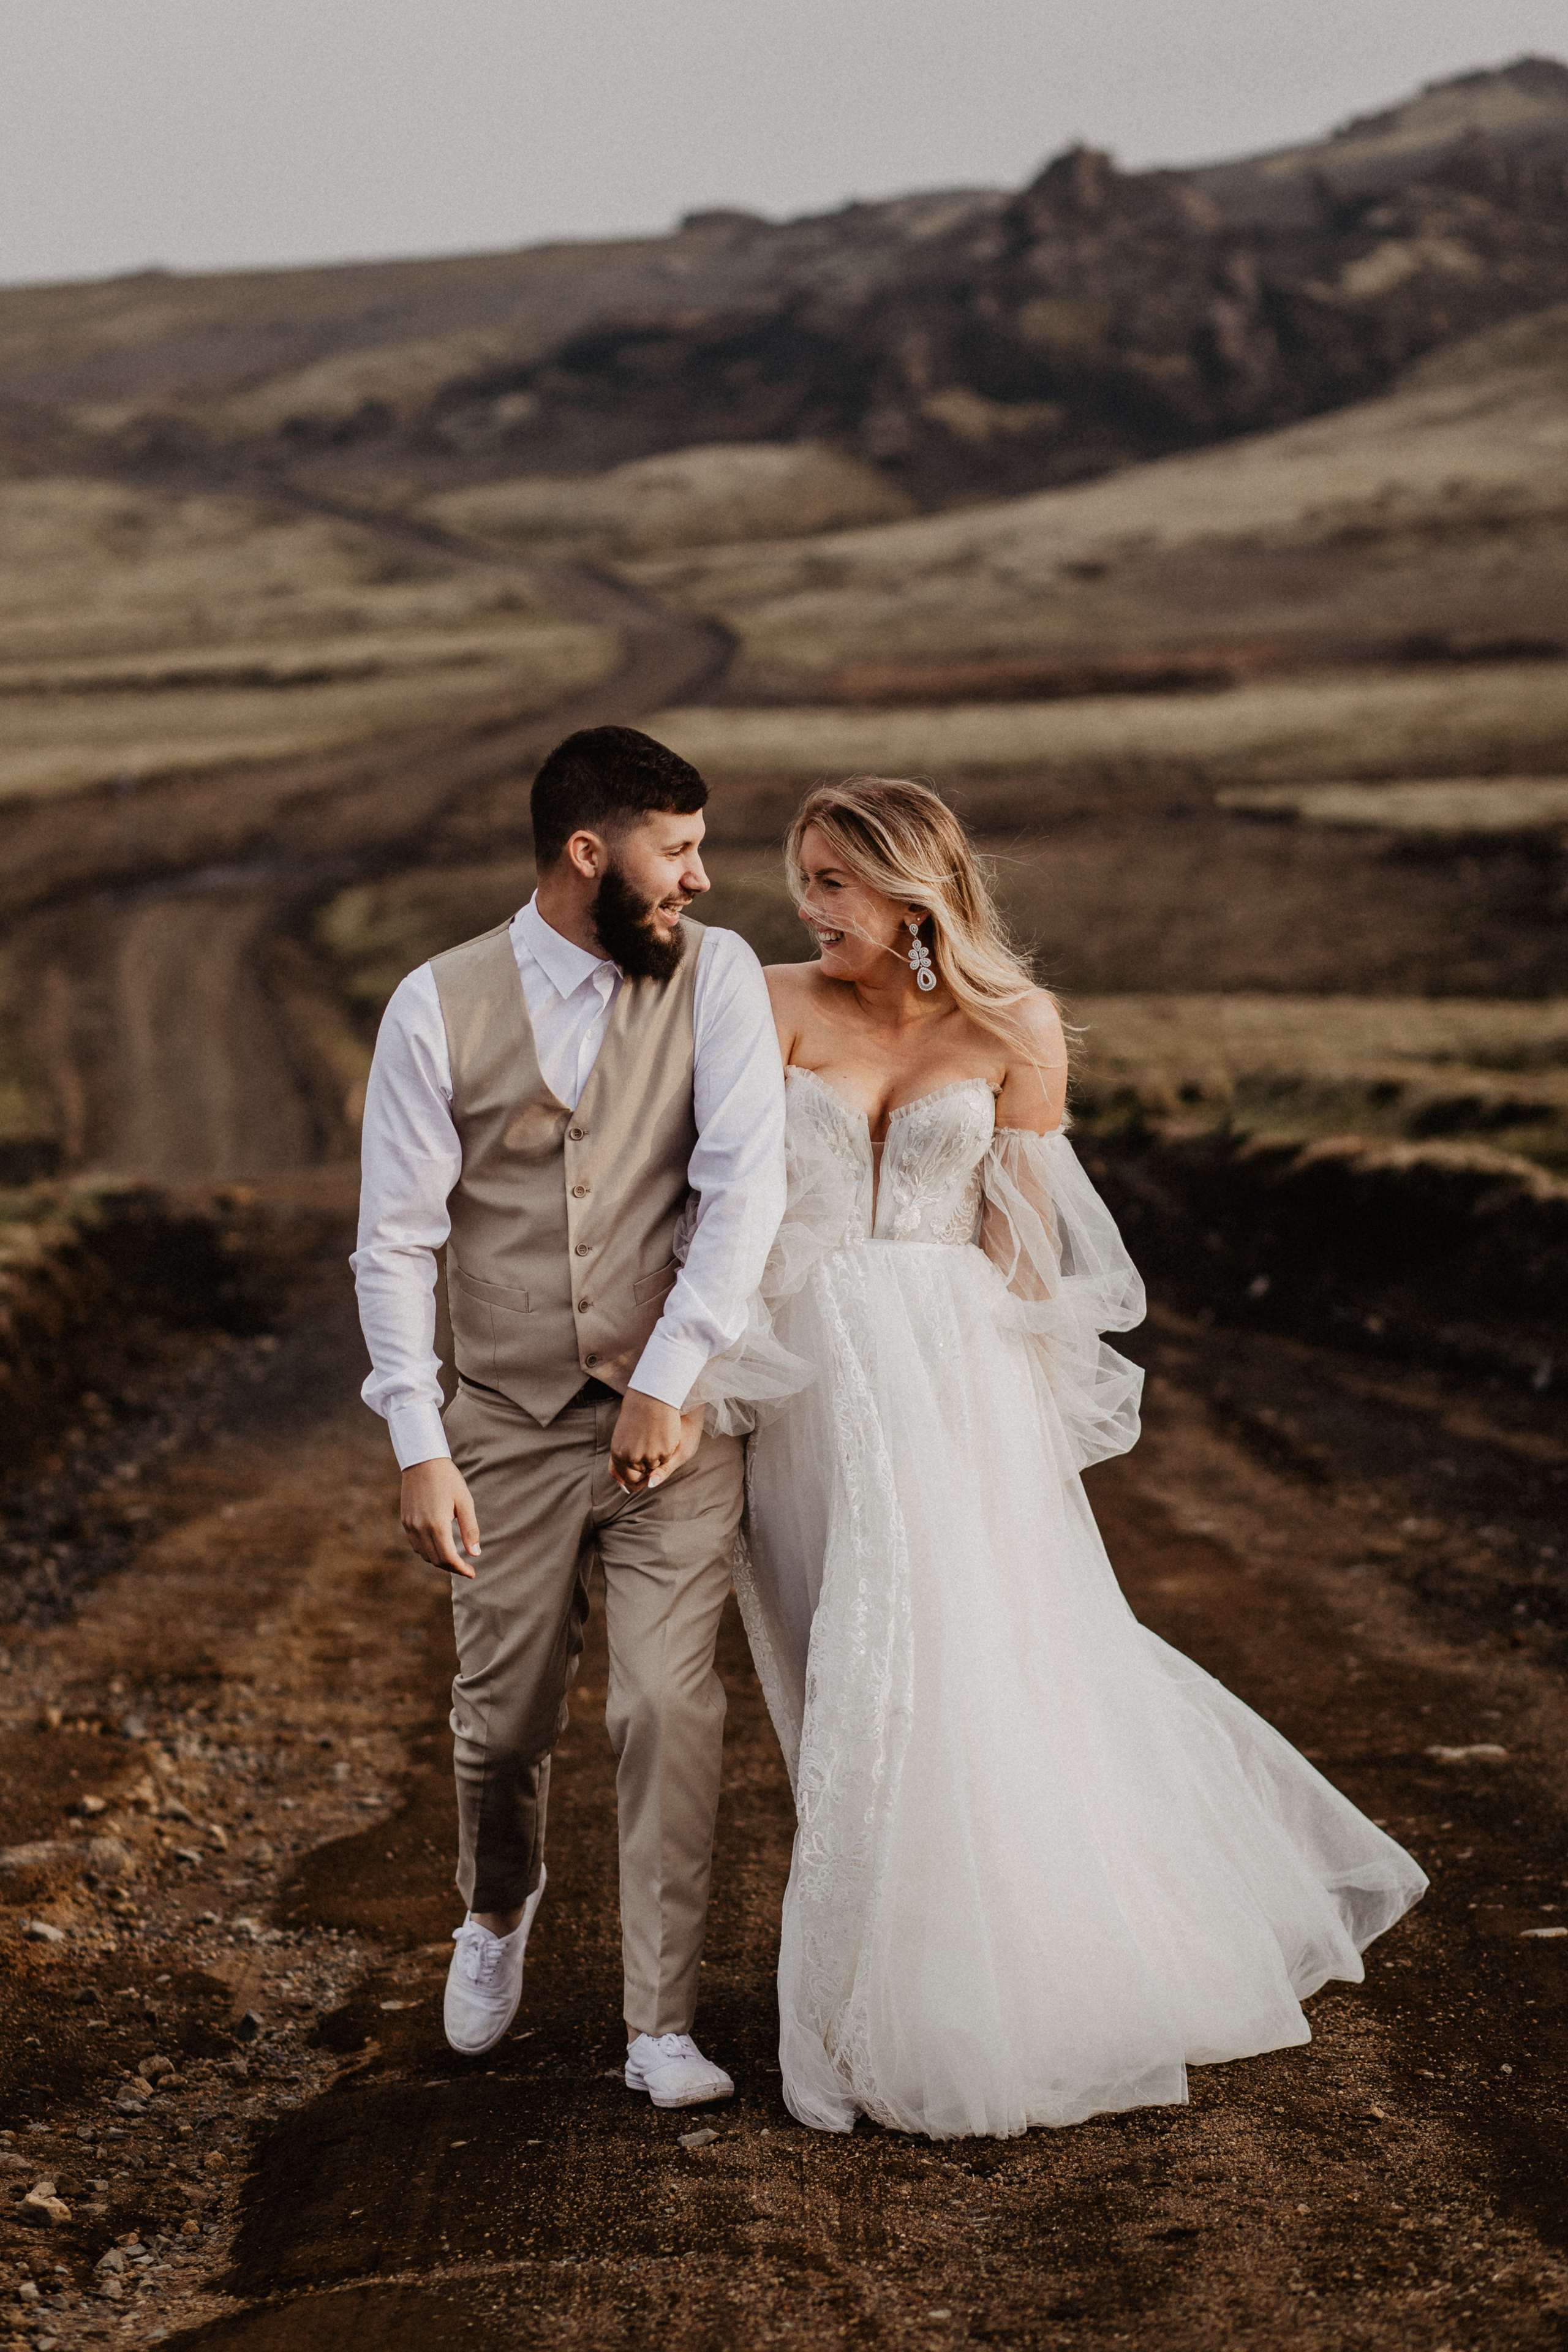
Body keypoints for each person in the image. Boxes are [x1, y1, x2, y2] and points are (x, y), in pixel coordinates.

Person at [703, 774, 1427, 2140]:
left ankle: (947, 1999)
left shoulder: (1013, 1025)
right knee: (839, 1673)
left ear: (913, 890)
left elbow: (1024, 1238)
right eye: (800, 878)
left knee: (954, 1664)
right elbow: (716, 1188)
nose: (805, 908)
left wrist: (1026, 1428)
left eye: (831, 884)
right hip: (802, 1379)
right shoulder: (768, 1002)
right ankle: (882, 1959)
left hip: (951, 1381)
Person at [352, 725, 786, 2108]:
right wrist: (420, 1446)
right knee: (502, 1720)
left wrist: (670, 1374)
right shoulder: (434, 1003)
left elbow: (742, 1189)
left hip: (674, 1412)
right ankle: (495, 1908)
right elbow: (395, 1243)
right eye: (679, 849)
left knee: (667, 1706)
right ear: (589, 855)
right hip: (505, 1420)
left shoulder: (713, 979)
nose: (702, 882)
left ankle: (658, 2024)